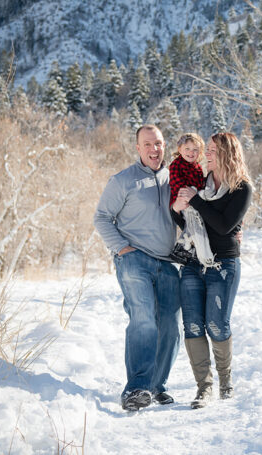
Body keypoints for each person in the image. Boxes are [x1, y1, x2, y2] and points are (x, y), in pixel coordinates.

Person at [94, 124, 181, 412]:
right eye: (147, 144)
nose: (154, 149)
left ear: (164, 144)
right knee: (143, 319)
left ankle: (156, 387)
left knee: (169, 325)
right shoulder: (122, 181)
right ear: (138, 148)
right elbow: (102, 218)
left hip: (168, 262)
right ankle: (136, 388)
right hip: (135, 260)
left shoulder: (176, 178)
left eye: (158, 143)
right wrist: (121, 248)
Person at [171, 132, 252, 409]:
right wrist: (177, 206)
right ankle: (204, 387)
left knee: (217, 324)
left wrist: (195, 200)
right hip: (193, 262)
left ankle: (226, 381)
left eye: (214, 150)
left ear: (228, 153)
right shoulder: (199, 182)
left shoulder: (241, 188)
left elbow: (223, 225)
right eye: (209, 149)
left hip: (223, 265)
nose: (207, 154)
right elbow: (183, 219)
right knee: (193, 325)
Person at [168, 133, 216, 268]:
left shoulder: (198, 167)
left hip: (195, 199)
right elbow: (177, 184)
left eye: (195, 150)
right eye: (187, 149)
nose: (191, 153)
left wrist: (199, 194)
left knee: (197, 226)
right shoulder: (176, 165)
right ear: (180, 149)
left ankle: (193, 249)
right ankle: (182, 249)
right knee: (192, 224)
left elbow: (201, 184)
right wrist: (190, 194)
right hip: (182, 199)